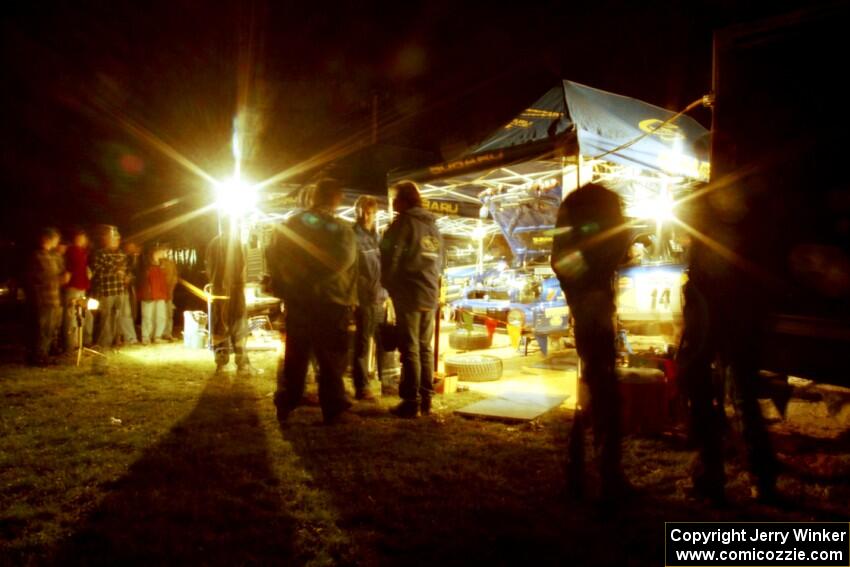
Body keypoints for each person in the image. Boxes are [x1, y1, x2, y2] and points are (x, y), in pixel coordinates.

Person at [677, 181, 778, 505]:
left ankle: (711, 475)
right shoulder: (747, 227)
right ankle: (762, 480)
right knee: (745, 396)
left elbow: (703, 280)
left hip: (713, 317)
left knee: (705, 396)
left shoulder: (705, 227)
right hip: (742, 316)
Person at [551, 182, 631, 499]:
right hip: (593, 308)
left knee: (593, 386)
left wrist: (580, 293)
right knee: (603, 389)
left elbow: (561, 258)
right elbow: (567, 258)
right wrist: (589, 294)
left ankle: (578, 468)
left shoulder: (576, 205)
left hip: (590, 304)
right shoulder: (598, 205)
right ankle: (606, 474)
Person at [270, 179, 358, 424]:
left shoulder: (290, 225)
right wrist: (316, 281)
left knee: (297, 355)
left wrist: (288, 285)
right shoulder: (340, 228)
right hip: (331, 300)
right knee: (331, 357)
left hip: (299, 300)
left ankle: (286, 401)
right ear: (336, 198)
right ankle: (334, 408)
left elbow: (274, 256)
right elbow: (342, 260)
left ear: (314, 197)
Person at [380, 181, 443, 418]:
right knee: (425, 348)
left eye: (395, 197)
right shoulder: (433, 226)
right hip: (429, 292)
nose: (393, 202)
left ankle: (410, 401)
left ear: (403, 200)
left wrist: (388, 283)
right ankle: (426, 399)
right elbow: (440, 262)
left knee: (410, 349)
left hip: (408, 292)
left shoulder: (403, 223)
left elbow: (391, 255)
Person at [206, 218, 255, 375]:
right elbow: (241, 266)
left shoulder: (213, 243)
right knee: (238, 326)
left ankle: (221, 363)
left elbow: (208, 267)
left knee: (220, 326)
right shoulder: (235, 243)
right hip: (233, 292)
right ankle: (242, 364)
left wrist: (215, 283)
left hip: (218, 292)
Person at [351, 195, 388, 401]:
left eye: (372, 212)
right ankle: (362, 387)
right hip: (363, 298)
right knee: (363, 343)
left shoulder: (378, 238)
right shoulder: (352, 237)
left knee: (384, 341)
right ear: (357, 211)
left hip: (380, 297)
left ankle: (387, 382)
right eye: (365, 211)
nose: (368, 215)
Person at [26, 227, 68, 366]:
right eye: (55, 239)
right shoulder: (36, 256)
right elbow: (34, 279)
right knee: (41, 329)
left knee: (50, 329)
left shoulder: (54, 256)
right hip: (42, 299)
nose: (57, 242)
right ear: (46, 239)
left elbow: (60, 272)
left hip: (54, 298)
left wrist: (62, 278)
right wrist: (55, 279)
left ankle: (44, 354)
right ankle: (37, 356)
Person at [90, 225, 128, 351]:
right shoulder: (100, 254)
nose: (116, 239)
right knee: (105, 317)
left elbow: (125, 268)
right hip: (107, 290)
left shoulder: (121, 253)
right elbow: (98, 270)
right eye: (113, 237)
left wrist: (126, 276)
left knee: (118, 316)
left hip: (119, 289)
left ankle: (116, 341)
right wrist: (115, 271)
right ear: (106, 238)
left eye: (117, 237)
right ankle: (103, 343)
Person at [63, 228, 93, 351]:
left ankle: (80, 341)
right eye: (80, 237)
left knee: (81, 315)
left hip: (82, 286)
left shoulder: (83, 251)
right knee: (71, 315)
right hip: (73, 286)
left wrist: (87, 272)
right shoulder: (71, 251)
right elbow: (69, 267)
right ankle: (71, 344)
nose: (83, 239)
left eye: (84, 237)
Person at [137, 244, 168, 345]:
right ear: (156, 252)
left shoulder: (162, 264)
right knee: (147, 316)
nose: (165, 253)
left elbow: (163, 280)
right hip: (149, 294)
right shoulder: (146, 265)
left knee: (161, 316)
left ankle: (157, 336)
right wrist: (146, 293)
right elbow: (143, 281)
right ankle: (146, 337)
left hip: (160, 293)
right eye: (163, 250)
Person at [117, 240, 140, 346]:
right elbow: (121, 271)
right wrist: (125, 278)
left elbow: (134, 272)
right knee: (121, 313)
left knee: (128, 313)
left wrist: (130, 278)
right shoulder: (122, 257)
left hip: (128, 289)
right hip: (119, 289)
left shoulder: (134, 258)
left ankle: (129, 337)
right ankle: (121, 337)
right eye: (131, 246)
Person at [159, 243, 179, 341]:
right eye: (166, 251)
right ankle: (160, 334)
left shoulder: (172, 263)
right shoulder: (160, 263)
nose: (168, 253)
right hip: (161, 293)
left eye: (169, 251)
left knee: (169, 315)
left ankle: (168, 333)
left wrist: (172, 287)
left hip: (170, 293)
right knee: (162, 315)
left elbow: (175, 276)